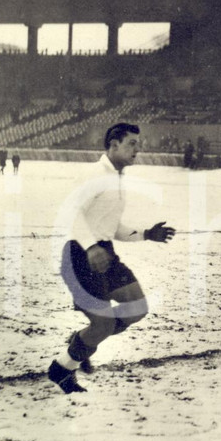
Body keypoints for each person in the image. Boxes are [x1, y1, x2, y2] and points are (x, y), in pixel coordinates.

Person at [48, 123, 176, 394]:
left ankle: (80, 342)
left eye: (137, 144)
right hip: (80, 256)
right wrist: (92, 247)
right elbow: (71, 213)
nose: (137, 150)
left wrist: (146, 234)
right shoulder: (93, 174)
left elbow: (112, 227)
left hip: (105, 253)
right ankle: (63, 367)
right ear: (113, 145)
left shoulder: (117, 180)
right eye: (131, 143)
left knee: (137, 308)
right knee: (103, 325)